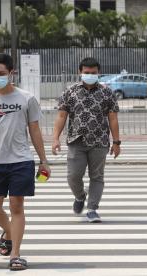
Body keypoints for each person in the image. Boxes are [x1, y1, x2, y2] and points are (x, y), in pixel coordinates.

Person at [0, 53, 50, 271]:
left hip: (21, 160)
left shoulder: (26, 98)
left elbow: (34, 130)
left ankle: (15, 255)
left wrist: (43, 161)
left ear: (11, 72)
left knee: (17, 206)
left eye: (1, 73)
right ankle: (8, 231)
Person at [52, 57, 120, 223]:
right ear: (80, 72)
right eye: (86, 72)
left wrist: (117, 142)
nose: (90, 75)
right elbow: (61, 116)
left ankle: (92, 209)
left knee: (97, 176)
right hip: (76, 141)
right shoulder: (70, 92)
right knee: (73, 176)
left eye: (93, 73)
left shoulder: (107, 93)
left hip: (99, 142)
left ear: (99, 73)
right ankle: (80, 196)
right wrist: (55, 138)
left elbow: (113, 119)